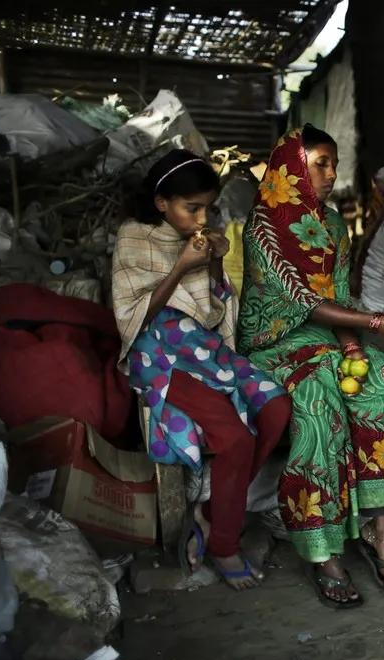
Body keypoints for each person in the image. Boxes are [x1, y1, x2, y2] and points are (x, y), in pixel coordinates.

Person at [238, 125, 384, 609]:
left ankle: (380, 536)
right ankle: (324, 553)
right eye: (320, 163)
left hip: (328, 337)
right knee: (320, 408)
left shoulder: (333, 224)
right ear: (291, 167)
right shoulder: (264, 226)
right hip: (276, 341)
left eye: (334, 164)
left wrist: (354, 345)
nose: (331, 175)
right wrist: (377, 322)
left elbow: (337, 295)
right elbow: (301, 300)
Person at [112, 149, 292, 591]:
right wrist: (181, 266)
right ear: (161, 203)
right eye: (191, 208)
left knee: (277, 408)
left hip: (202, 349)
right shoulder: (134, 237)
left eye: (207, 209)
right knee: (235, 439)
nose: (200, 218)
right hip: (158, 356)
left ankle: (211, 512)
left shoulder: (199, 239)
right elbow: (134, 318)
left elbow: (213, 311)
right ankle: (224, 544)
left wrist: (213, 262)